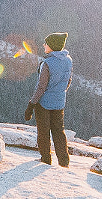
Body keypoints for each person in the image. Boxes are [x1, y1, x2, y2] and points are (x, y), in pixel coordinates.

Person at [25, 32, 73, 166]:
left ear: (52, 46)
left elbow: (41, 87)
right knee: (59, 132)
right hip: (59, 102)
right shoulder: (68, 60)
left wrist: (31, 104)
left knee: (43, 132)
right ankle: (64, 161)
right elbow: (68, 81)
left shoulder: (47, 63)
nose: (44, 45)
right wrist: (58, 92)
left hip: (44, 103)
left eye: (46, 43)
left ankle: (46, 159)